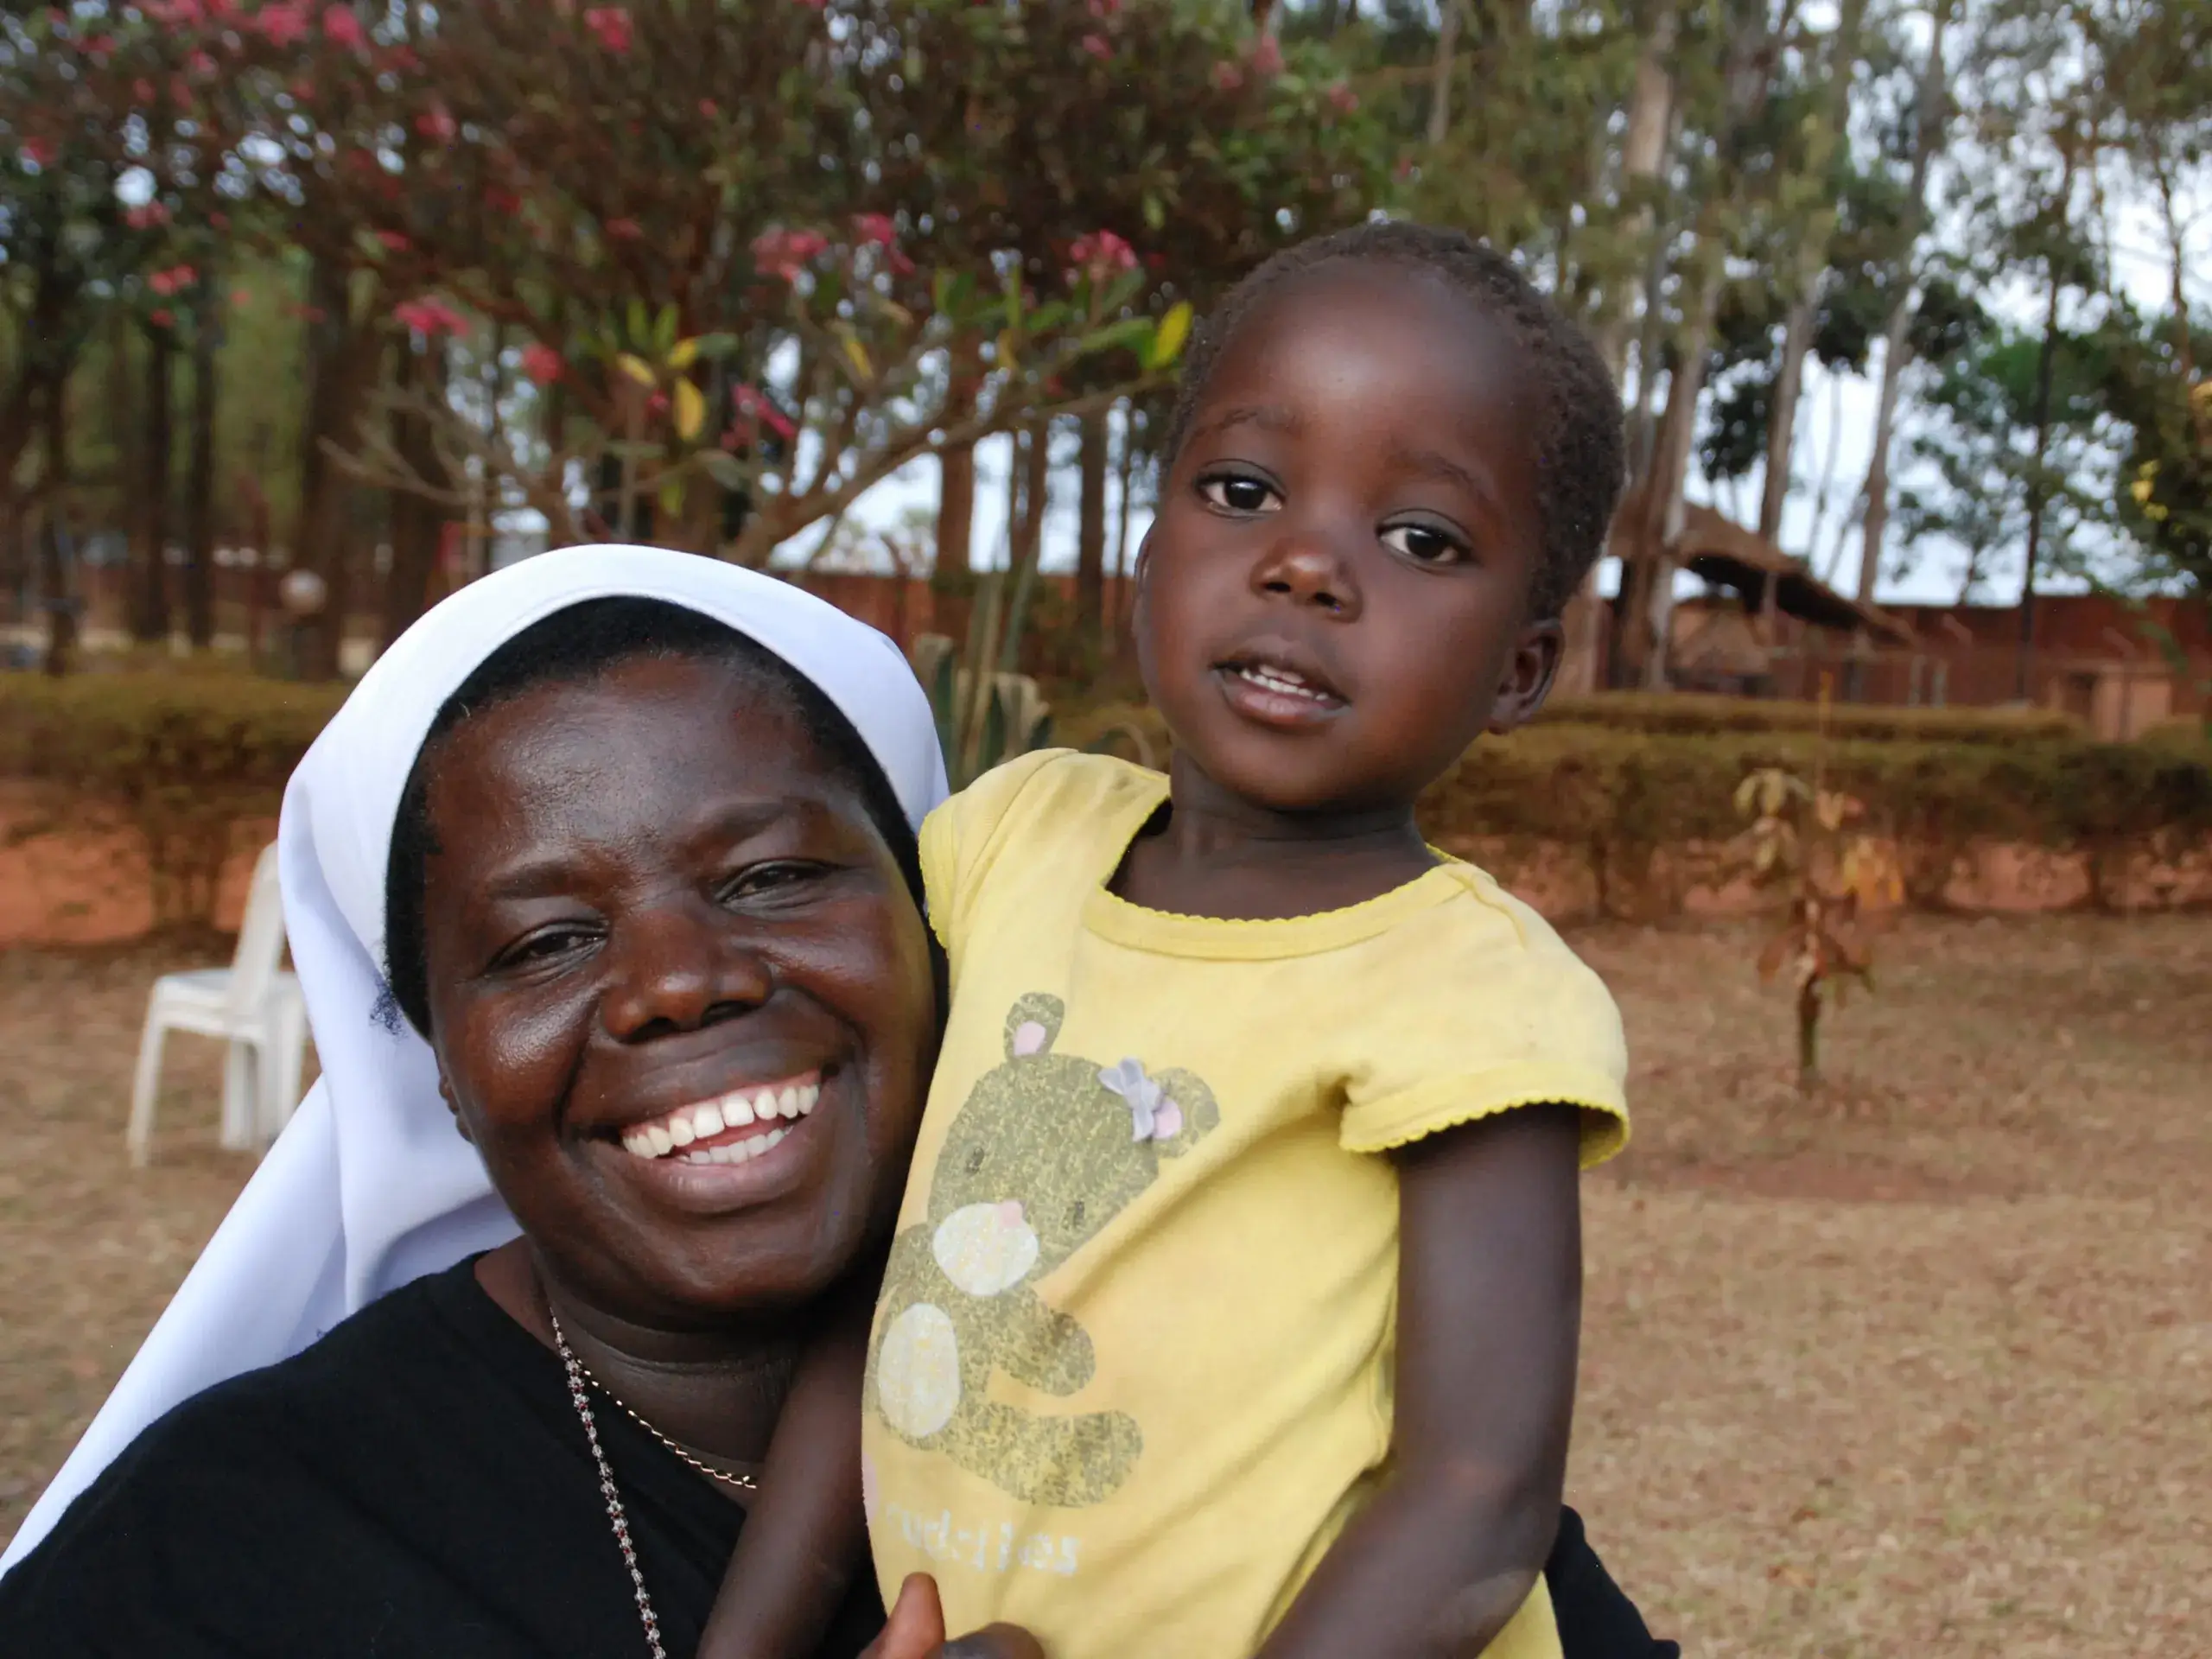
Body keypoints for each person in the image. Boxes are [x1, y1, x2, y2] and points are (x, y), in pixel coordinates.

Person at [834, 220, 1662, 1659]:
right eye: (1243, 489)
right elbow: (866, 1293)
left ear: (1522, 667)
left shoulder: (1471, 995)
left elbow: (1476, 1503)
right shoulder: (1006, 842)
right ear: (1149, 552)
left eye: (1420, 539)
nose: (1306, 566)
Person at [0, 549, 1026, 1656]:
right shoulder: (211, 1553)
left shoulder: (1192, 1365)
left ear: (929, 912)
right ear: (439, 1065)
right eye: (547, 943)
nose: (678, 982)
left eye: (771, 876)